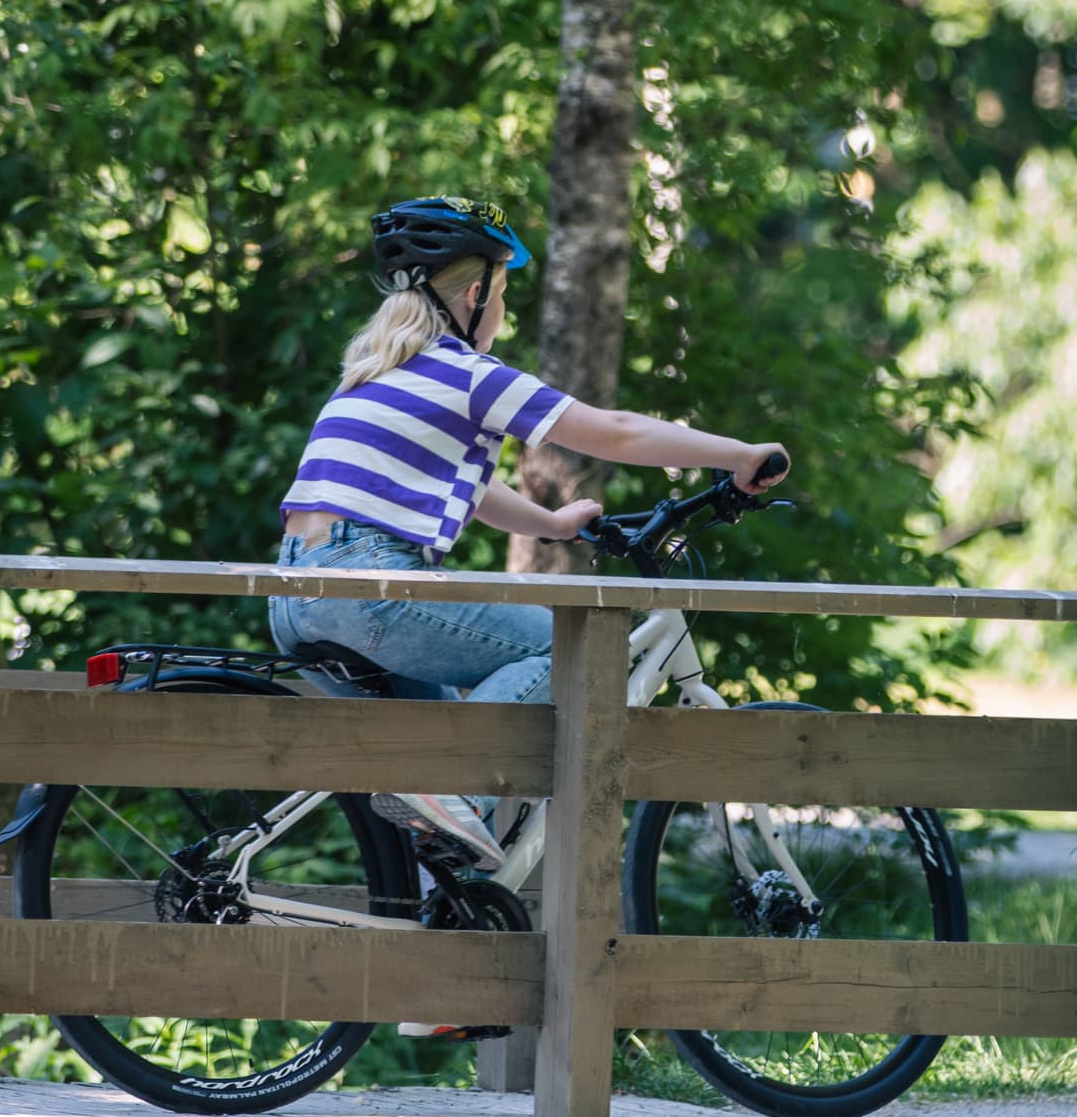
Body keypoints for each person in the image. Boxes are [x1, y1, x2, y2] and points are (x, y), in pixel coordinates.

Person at [272, 196, 788, 852]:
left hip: (293, 594)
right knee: (571, 650)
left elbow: (475, 484)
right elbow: (616, 433)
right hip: (368, 586)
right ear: (475, 294)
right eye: (504, 293)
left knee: (437, 765)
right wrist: (741, 456)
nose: (504, 313)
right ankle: (454, 794)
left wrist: (551, 523)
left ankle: (441, 890)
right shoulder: (465, 374)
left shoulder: (373, 377)